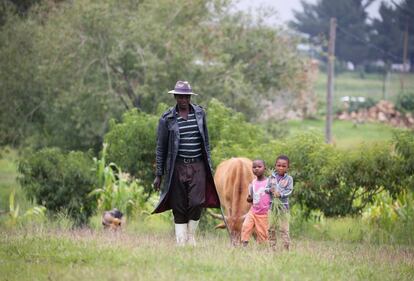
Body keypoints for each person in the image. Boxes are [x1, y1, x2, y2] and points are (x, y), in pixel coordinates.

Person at [152, 80, 221, 246]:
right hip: (177, 167)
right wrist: (159, 175)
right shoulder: (167, 118)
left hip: (198, 166)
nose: (183, 99)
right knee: (178, 204)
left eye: (186, 96)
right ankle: (181, 241)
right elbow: (161, 148)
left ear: (190, 97)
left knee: (197, 202)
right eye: (180, 96)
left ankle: (191, 236)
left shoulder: (199, 114)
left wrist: (209, 165)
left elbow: (206, 142)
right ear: (175, 97)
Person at [240, 159, 272, 246]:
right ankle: (244, 245)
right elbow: (250, 199)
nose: (256, 169)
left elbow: (273, 196)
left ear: (265, 168)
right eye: (254, 167)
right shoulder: (253, 183)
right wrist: (249, 198)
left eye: (259, 167)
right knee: (245, 227)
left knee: (263, 234)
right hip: (253, 211)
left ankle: (265, 248)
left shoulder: (269, 182)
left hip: (264, 213)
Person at [267, 155, 293, 250]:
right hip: (272, 207)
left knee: (284, 229)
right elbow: (266, 189)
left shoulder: (289, 179)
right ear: (275, 166)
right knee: (270, 228)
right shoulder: (271, 177)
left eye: (284, 166)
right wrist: (270, 190)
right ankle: (272, 247)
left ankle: (286, 248)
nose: (281, 168)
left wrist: (280, 194)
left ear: (287, 167)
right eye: (278, 165)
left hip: (283, 208)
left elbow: (289, 191)